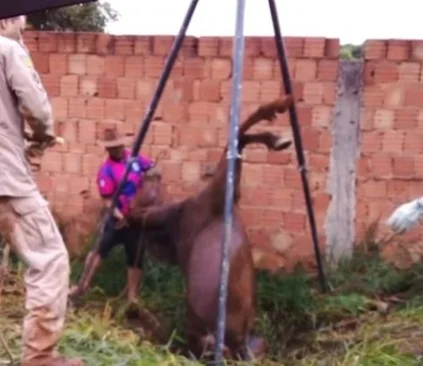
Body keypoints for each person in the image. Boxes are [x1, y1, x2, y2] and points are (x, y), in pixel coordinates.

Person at [0, 15, 84, 366]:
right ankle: (39, 357)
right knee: (49, 259)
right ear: (6, 18)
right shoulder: (8, 50)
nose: (25, 23)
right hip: (5, 179)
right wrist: (42, 137)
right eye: (21, 18)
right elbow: (36, 107)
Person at [69, 128, 154, 303]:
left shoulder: (135, 158)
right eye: (113, 148)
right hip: (116, 220)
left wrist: (150, 184)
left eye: (119, 146)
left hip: (135, 219)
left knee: (135, 257)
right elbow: (107, 200)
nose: (117, 150)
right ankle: (82, 287)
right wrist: (119, 216)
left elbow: (152, 168)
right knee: (99, 251)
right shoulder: (106, 171)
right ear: (108, 150)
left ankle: (132, 298)